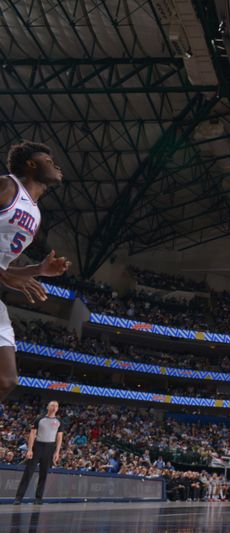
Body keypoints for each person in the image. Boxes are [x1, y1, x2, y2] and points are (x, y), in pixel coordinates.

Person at [0, 142, 71, 403]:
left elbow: (5, 268)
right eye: (49, 160)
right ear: (31, 165)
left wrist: (38, 269)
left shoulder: (35, 214)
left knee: (6, 380)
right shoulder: (8, 187)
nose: (56, 165)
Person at [13, 400, 64, 504]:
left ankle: (38, 498)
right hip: (38, 446)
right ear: (48, 407)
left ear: (58, 408)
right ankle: (18, 498)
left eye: (56, 406)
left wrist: (57, 452)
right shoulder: (40, 418)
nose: (54, 407)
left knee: (43, 474)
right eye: (52, 405)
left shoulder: (59, 421)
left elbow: (59, 437)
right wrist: (30, 449)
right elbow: (32, 434)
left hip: (50, 447)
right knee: (28, 472)